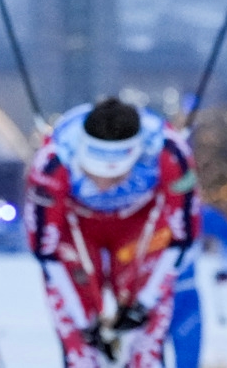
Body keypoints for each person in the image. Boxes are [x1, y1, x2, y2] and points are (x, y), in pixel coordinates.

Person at [25, 97, 202, 368]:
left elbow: (183, 238)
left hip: (139, 226)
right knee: (80, 350)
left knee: (146, 347)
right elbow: (45, 251)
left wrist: (144, 303)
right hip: (78, 229)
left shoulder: (169, 152)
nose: (104, 185)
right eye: (92, 173)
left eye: (117, 176)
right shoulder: (54, 160)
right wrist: (85, 324)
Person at [170, 203, 227, 368]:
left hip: (185, 292)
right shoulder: (135, 206)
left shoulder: (194, 211)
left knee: (188, 353)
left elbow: (226, 235)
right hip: (142, 297)